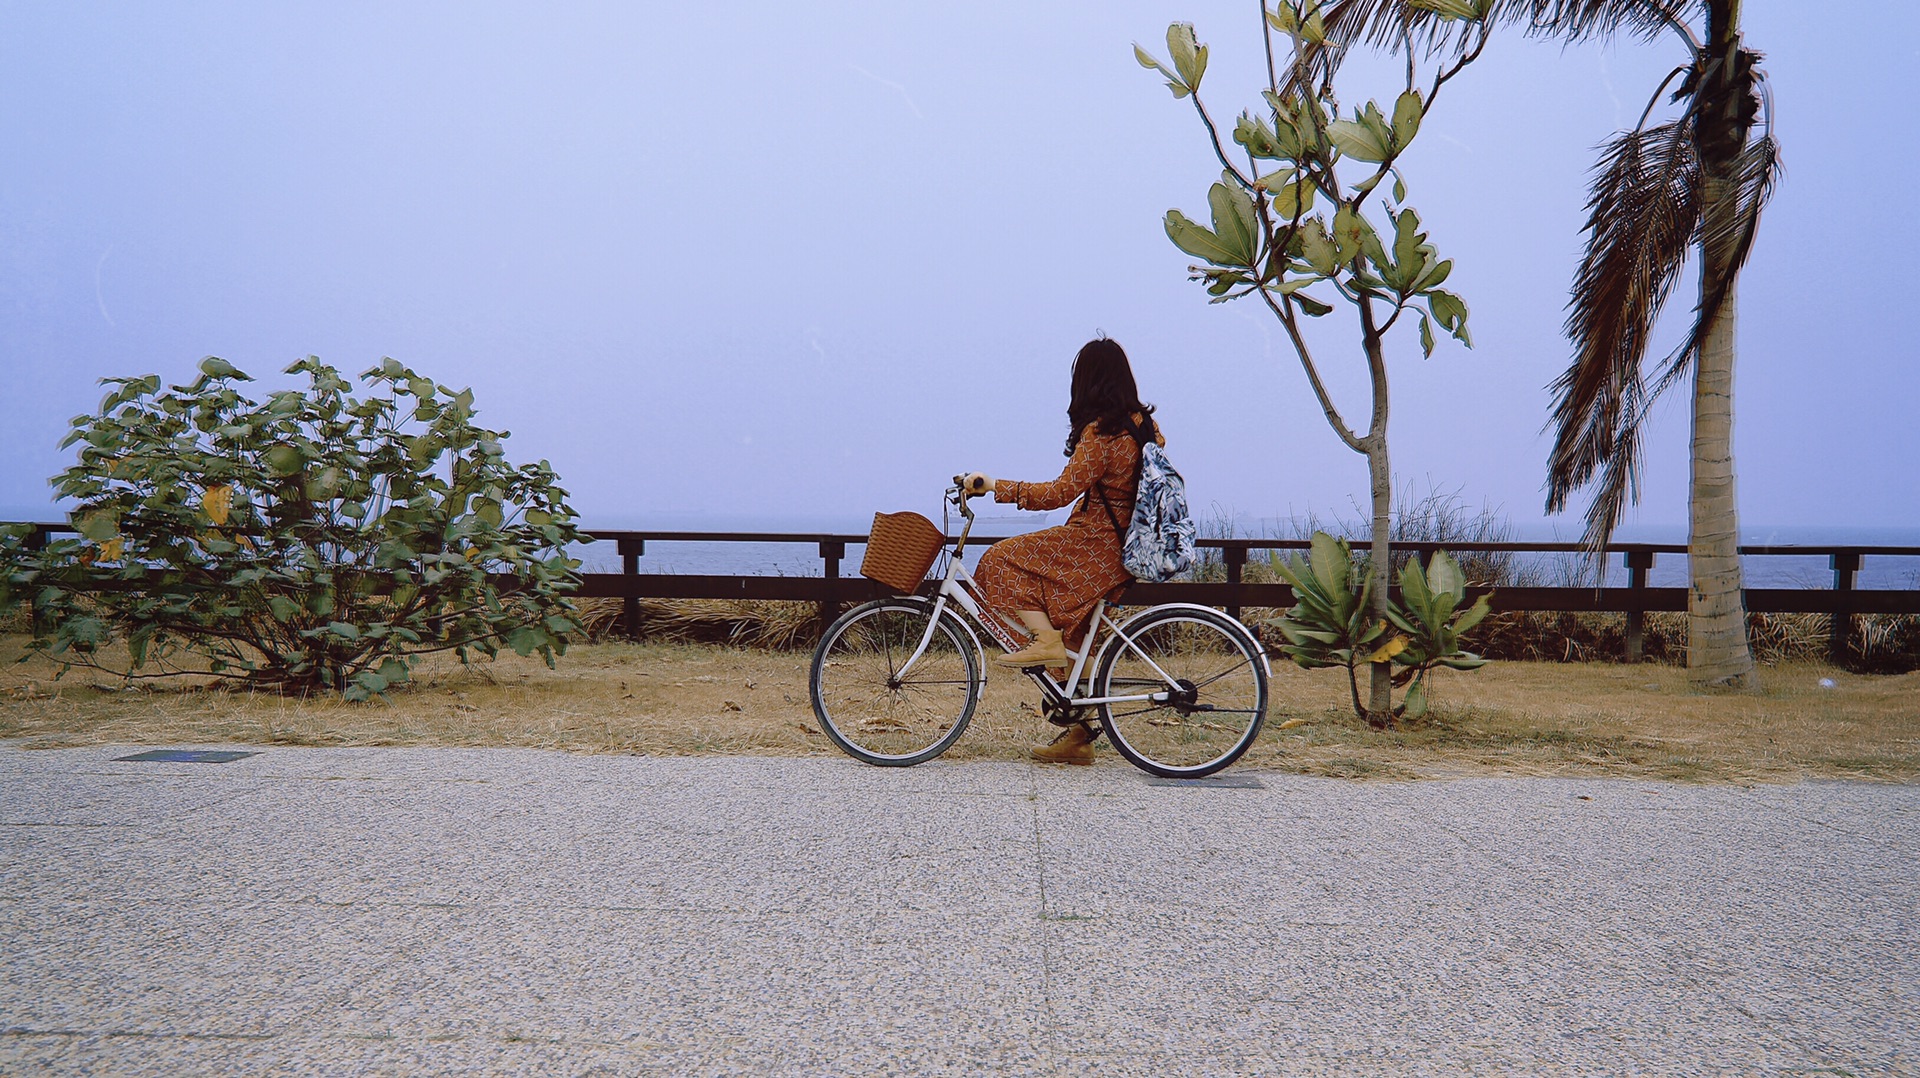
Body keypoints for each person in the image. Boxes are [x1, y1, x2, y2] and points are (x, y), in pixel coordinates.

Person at [962, 336, 1164, 765]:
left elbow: (1058, 493)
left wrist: (995, 485)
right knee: (1079, 641)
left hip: (1093, 543)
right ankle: (1079, 739)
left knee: (997, 561)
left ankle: (1044, 639)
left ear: (1087, 382)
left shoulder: (1102, 433)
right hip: (1122, 546)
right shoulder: (1143, 427)